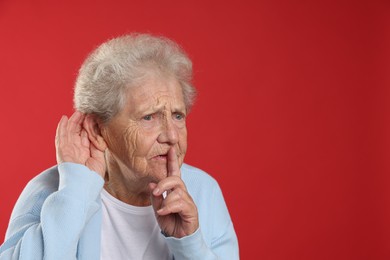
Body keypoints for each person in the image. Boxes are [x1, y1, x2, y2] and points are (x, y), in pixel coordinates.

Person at [0, 34, 238, 259]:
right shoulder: (49, 190)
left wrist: (189, 243)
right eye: (149, 117)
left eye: (177, 116)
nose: (172, 136)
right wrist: (75, 192)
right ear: (97, 129)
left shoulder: (203, 191)